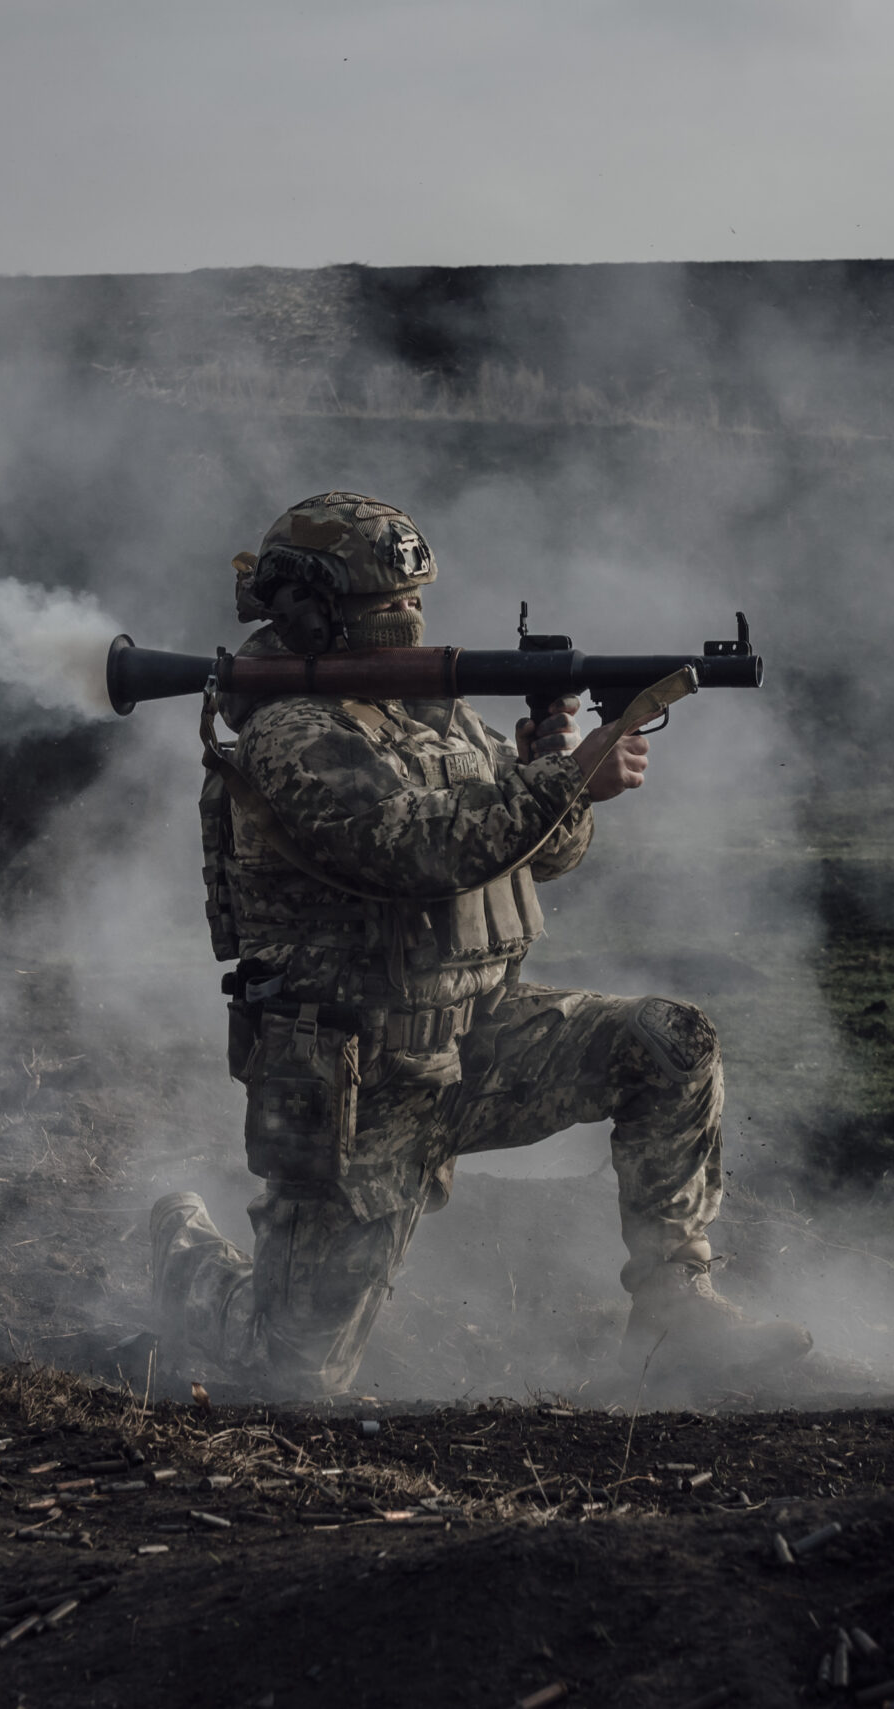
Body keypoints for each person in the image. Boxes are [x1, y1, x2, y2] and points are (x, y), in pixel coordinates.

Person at [150, 492, 809, 1397]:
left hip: (479, 1035)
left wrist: (556, 766)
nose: (408, 620)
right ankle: (178, 1244)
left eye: (412, 599)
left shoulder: (431, 712)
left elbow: (545, 852)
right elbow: (414, 848)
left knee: (669, 1043)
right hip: (362, 1077)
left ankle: (675, 1312)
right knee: (291, 1379)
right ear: (320, 609)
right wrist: (563, 780)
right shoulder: (292, 735)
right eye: (388, 604)